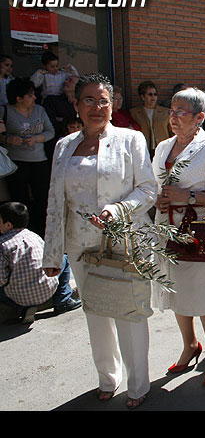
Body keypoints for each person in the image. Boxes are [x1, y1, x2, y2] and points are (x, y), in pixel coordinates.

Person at [42, 73, 157, 409]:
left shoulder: (130, 140)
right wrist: (52, 254)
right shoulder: (64, 146)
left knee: (129, 314)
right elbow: (54, 200)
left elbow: (149, 189)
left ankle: (138, 385)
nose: (97, 107)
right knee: (96, 313)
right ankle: (108, 377)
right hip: (80, 246)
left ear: (113, 104)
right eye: (88, 100)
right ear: (76, 106)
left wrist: (117, 210)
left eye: (103, 100)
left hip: (123, 241)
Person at [152, 87, 205, 387]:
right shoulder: (162, 148)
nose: (173, 117)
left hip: (198, 233)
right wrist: (159, 199)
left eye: (180, 112)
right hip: (166, 230)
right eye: (171, 110)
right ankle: (189, 344)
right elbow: (154, 184)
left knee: (203, 295)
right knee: (175, 291)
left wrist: (188, 196)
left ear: (199, 117)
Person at [0, 202, 81, 324]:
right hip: (47, 289)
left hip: (18, 297)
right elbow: (50, 259)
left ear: (8, 225)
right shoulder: (34, 236)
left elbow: (2, 279)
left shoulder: (2, 244)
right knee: (64, 259)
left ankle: (22, 308)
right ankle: (62, 301)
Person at [0, 77, 55, 237]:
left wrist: (37, 139)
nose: (34, 98)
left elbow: (50, 131)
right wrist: (8, 139)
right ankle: (20, 233)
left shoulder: (39, 110)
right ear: (19, 98)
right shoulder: (5, 110)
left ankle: (41, 232)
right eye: (30, 95)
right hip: (16, 163)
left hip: (39, 161)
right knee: (19, 200)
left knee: (42, 199)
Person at [129, 80, 172, 157]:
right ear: (142, 97)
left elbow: (172, 132)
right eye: (150, 94)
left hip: (162, 150)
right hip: (143, 150)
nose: (153, 97)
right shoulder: (134, 112)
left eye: (155, 94)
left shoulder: (165, 112)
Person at [43, 74, 79, 159]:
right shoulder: (51, 100)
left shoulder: (82, 103)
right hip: (55, 147)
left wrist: (62, 119)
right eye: (66, 79)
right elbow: (50, 123)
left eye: (70, 80)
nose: (65, 82)